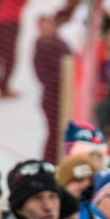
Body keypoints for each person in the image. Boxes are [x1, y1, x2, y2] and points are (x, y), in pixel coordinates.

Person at [34, 15, 72, 163]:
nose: (47, 31)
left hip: (65, 94)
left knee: (62, 131)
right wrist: (60, 78)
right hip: (52, 97)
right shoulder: (41, 47)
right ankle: (50, 161)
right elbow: (42, 75)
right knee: (54, 132)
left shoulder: (61, 44)